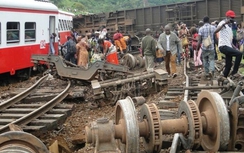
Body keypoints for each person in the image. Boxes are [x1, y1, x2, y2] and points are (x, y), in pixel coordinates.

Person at [215, 10, 242, 79]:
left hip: (228, 46)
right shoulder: (223, 23)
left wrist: (234, 47)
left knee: (228, 65)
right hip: (223, 46)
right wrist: (225, 24)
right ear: (227, 17)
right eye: (231, 18)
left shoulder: (230, 28)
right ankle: (234, 72)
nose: (232, 19)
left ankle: (224, 77)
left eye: (233, 18)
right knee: (239, 54)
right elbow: (215, 31)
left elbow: (229, 41)